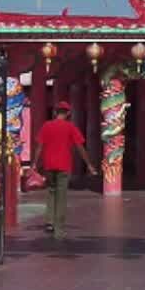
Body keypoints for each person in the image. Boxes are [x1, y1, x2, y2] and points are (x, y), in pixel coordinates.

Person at [30, 100, 97, 240]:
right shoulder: (70, 127)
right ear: (68, 113)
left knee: (51, 192)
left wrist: (34, 163)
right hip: (64, 165)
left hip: (49, 165)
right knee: (61, 197)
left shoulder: (47, 126)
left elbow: (39, 146)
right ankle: (58, 230)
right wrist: (89, 164)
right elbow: (80, 147)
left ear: (55, 112)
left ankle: (49, 222)